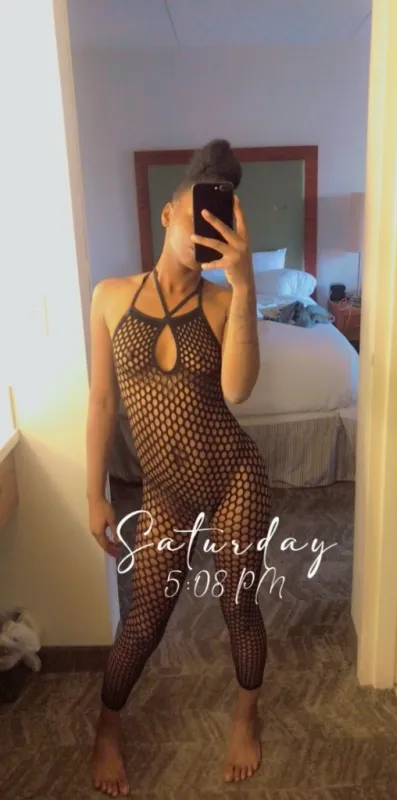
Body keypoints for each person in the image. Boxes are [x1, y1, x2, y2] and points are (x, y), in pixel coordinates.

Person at [86, 139, 272, 796]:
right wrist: (94, 492)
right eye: (197, 216)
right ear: (168, 215)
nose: (203, 231)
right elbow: (102, 401)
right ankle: (108, 727)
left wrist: (244, 286)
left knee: (237, 604)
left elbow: (239, 391)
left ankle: (245, 718)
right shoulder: (109, 296)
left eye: (219, 222)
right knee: (146, 615)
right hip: (164, 487)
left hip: (233, 477)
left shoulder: (224, 304)